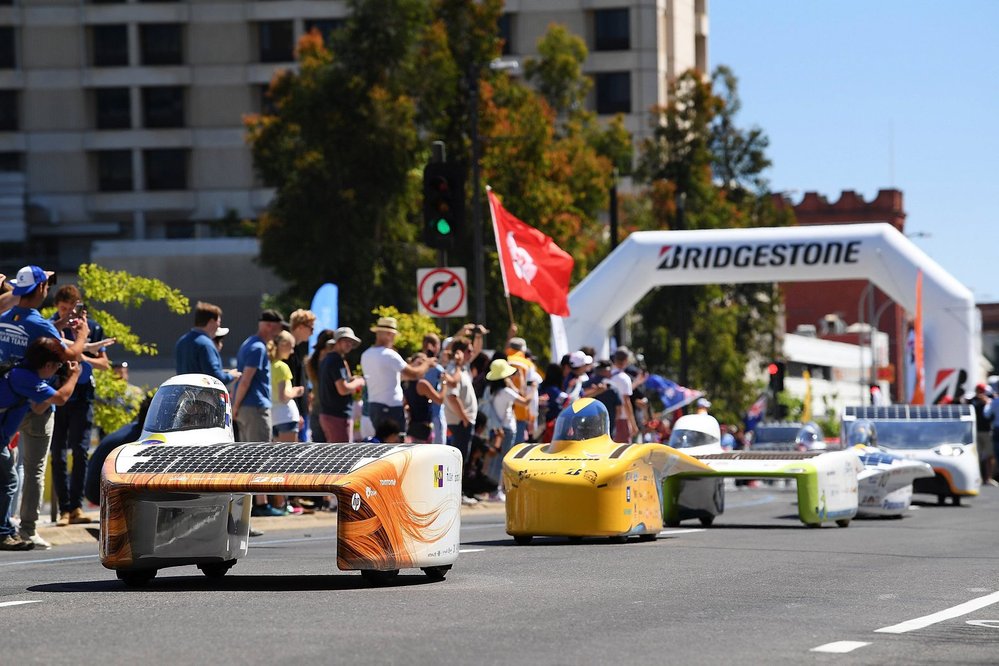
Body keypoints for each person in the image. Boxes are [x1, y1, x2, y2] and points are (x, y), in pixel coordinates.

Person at [1, 265, 88, 550]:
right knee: (29, 469)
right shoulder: (39, 324)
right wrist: (82, 333)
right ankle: (24, 529)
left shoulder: (4, 319)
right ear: (40, 289)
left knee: (8, 468)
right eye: (46, 285)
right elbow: (71, 354)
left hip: (10, 399)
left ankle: (6, 525)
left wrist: (58, 326)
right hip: (35, 400)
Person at [0, 338, 82, 550]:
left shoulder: (21, 372)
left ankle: (4, 528)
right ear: (47, 365)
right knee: (9, 480)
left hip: (2, 439)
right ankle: (2, 532)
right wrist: (73, 376)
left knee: (8, 477)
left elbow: (37, 409)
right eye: (56, 367)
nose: (56, 371)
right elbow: (61, 398)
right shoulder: (26, 378)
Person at [49, 285, 115, 527]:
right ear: (57, 307)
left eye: (71, 309)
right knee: (57, 452)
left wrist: (81, 355)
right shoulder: (50, 325)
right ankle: (65, 507)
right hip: (57, 390)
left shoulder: (92, 327)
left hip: (83, 394)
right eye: (63, 309)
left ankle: (76, 506)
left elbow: (105, 363)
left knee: (80, 450)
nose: (67, 314)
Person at [233, 309, 284, 517]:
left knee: (249, 456)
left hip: (247, 407)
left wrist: (236, 406)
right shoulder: (257, 347)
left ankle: (251, 505)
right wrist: (235, 405)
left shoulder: (248, 343)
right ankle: (260, 505)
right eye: (278, 327)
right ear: (270, 326)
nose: (279, 332)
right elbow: (245, 379)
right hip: (254, 408)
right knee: (260, 455)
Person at [360, 316, 433, 435]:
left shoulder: (365, 355)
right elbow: (414, 374)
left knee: (380, 446)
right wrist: (427, 363)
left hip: (374, 407)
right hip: (391, 408)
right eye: (393, 335)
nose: (394, 339)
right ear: (389, 334)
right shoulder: (390, 355)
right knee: (396, 447)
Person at [483, 358, 530, 500]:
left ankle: (492, 489)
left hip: (495, 428)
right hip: (507, 429)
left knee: (494, 459)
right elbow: (525, 402)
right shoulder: (506, 391)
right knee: (502, 460)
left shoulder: (490, 390)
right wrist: (531, 388)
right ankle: (496, 490)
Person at [443, 337, 477, 503]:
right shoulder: (453, 369)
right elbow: (451, 396)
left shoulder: (461, 369)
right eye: (468, 350)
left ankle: (458, 493)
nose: (471, 353)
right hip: (459, 421)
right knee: (458, 459)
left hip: (462, 421)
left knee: (462, 458)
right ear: (460, 352)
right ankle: (456, 494)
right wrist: (464, 417)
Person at [175, 301, 241, 385]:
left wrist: (222, 372)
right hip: (203, 396)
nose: (218, 326)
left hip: (185, 394)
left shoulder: (182, 341)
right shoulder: (206, 344)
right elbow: (215, 378)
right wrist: (231, 375)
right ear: (211, 321)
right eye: (218, 322)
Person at [318, 326, 364, 443]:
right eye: (346, 341)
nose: (349, 344)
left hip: (330, 414)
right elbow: (343, 389)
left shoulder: (328, 359)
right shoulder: (336, 360)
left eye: (351, 342)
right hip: (337, 416)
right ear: (337, 342)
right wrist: (359, 382)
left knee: (335, 456)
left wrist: (351, 380)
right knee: (342, 458)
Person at [269, 330, 304, 442]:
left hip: (273, 417)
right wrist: (297, 391)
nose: (292, 351)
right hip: (286, 416)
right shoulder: (282, 367)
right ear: (283, 345)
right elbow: (283, 396)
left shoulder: (268, 365)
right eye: (291, 347)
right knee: (289, 457)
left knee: (276, 457)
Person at [286, 309, 316, 441]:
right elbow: (289, 384)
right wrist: (296, 413)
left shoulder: (296, 349)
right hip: (294, 412)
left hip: (299, 411)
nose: (312, 332)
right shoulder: (289, 350)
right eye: (311, 328)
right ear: (300, 327)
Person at [306, 329, 336, 442]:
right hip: (330, 411)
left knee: (318, 450)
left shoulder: (310, 361)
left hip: (316, 409)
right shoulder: (331, 360)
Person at [608, 349, 638, 443]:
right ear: (626, 360)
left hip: (609, 416)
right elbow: (626, 401)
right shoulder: (624, 378)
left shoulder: (608, 375)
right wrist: (633, 424)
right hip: (622, 418)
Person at [970, 383, 995, 487]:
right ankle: (978, 477)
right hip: (976, 431)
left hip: (987, 431)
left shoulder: (989, 400)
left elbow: (991, 415)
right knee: (977, 457)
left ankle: (988, 478)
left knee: (989, 456)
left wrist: (986, 402)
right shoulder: (972, 400)